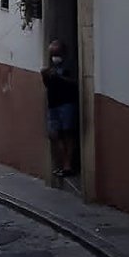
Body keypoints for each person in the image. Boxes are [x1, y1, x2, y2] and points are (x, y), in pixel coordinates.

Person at [42, 40, 79, 182]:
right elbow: (47, 85)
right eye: (52, 54)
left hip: (67, 104)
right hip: (53, 105)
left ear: (63, 53)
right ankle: (62, 164)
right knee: (55, 135)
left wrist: (59, 77)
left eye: (56, 53)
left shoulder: (70, 66)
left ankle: (67, 166)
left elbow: (75, 82)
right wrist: (45, 76)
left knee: (68, 133)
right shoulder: (51, 67)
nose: (54, 56)